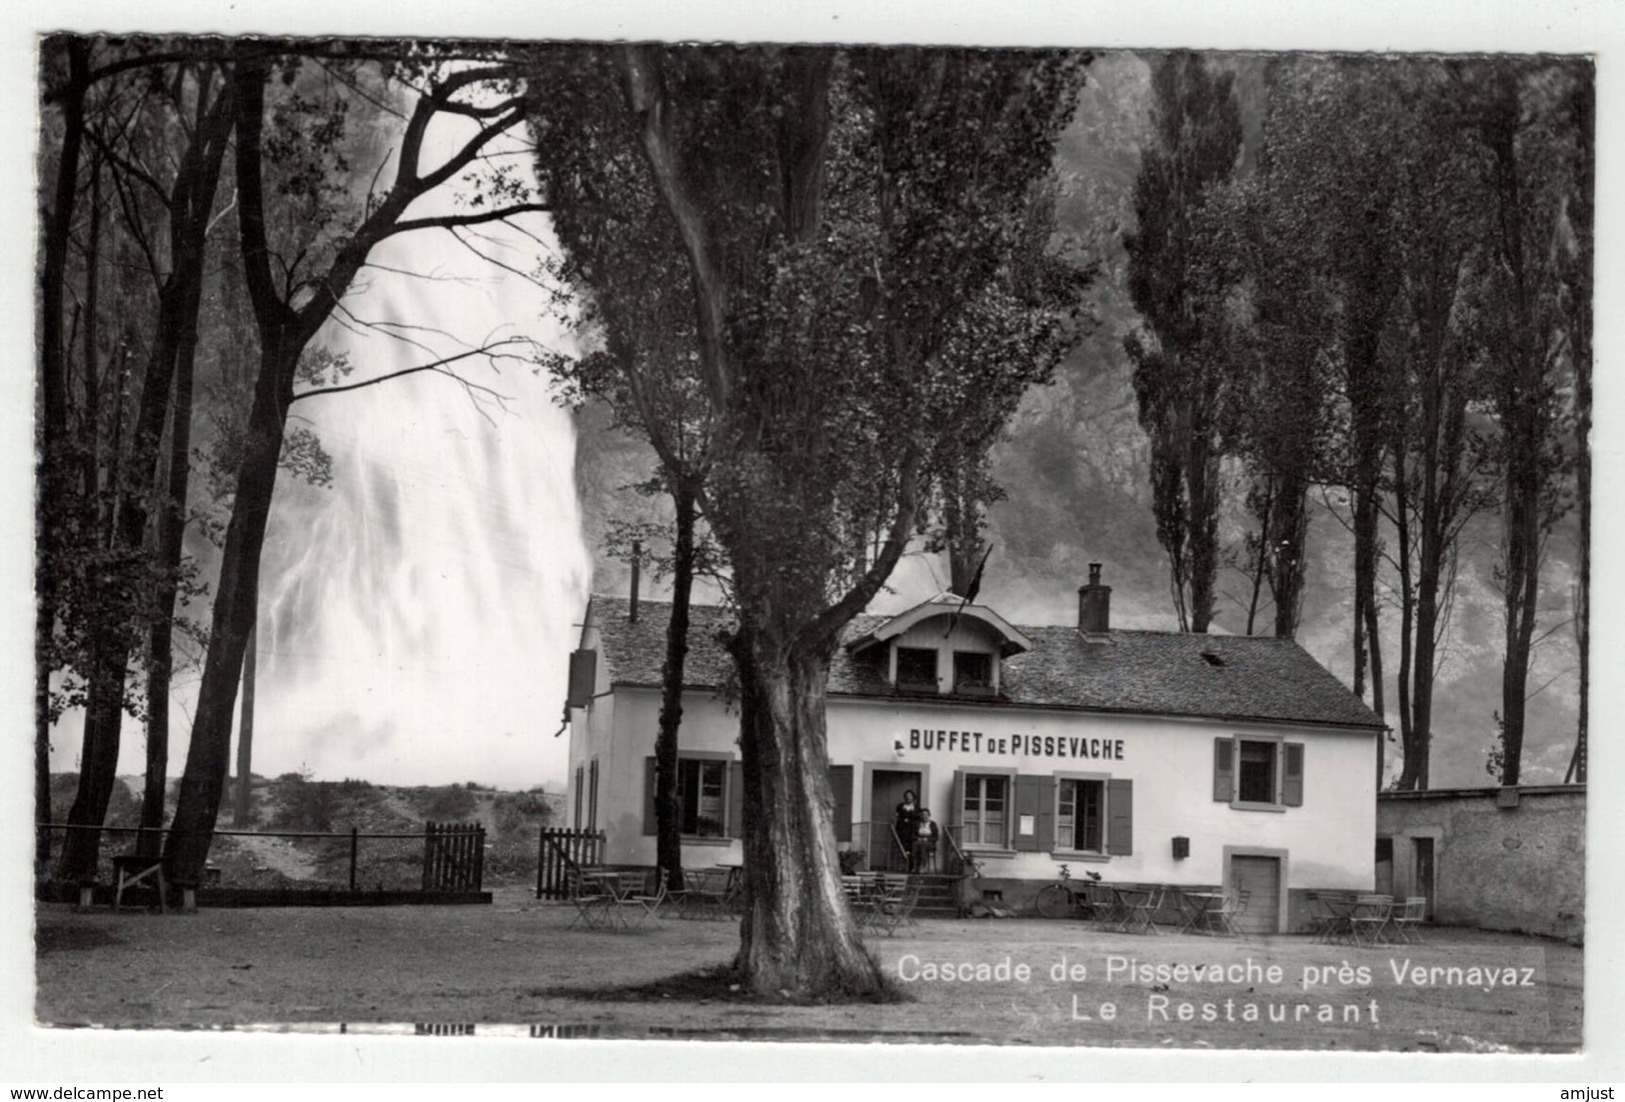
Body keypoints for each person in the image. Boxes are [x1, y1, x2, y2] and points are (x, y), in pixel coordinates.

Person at [893, 790, 920, 871]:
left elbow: (917, 819)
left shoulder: (917, 808)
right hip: (902, 830)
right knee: (902, 847)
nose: (908, 797)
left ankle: (911, 867)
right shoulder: (900, 806)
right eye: (907, 796)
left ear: (913, 797)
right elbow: (896, 816)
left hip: (912, 831)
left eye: (910, 796)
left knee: (911, 848)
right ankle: (901, 866)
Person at [911, 808, 940, 874]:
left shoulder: (932, 824)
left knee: (923, 845)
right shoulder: (917, 824)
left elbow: (936, 837)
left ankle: (923, 866)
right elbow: (913, 835)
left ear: (929, 815)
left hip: (930, 843)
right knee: (914, 844)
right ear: (920, 816)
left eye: (926, 814)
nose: (924, 816)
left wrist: (927, 839)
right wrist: (917, 838)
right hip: (919, 840)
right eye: (923, 815)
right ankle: (915, 866)